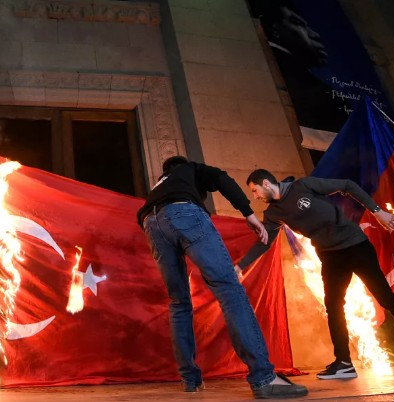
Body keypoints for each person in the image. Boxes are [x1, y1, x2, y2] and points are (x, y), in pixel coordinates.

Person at [239, 169, 394, 379]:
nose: (256, 196)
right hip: (330, 257)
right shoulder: (273, 214)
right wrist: (239, 267)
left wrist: (377, 211)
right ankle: (344, 363)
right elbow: (263, 243)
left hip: (356, 246)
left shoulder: (304, 186)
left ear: (266, 183)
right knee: (334, 307)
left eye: (255, 191)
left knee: (387, 300)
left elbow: (347, 184)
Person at [137, 156, 308, 398]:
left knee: (178, 303)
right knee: (230, 291)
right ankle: (264, 378)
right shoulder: (191, 169)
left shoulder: (160, 185)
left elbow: (154, 216)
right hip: (184, 211)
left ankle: (190, 380)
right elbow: (222, 179)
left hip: (151, 223)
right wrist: (248, 214)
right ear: (182, 164)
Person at [254, 0, 350, 133]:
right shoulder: (285, 72)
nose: (314, 35)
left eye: (308, 26)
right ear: (274, 29)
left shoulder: (308, 78)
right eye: (298, 23)